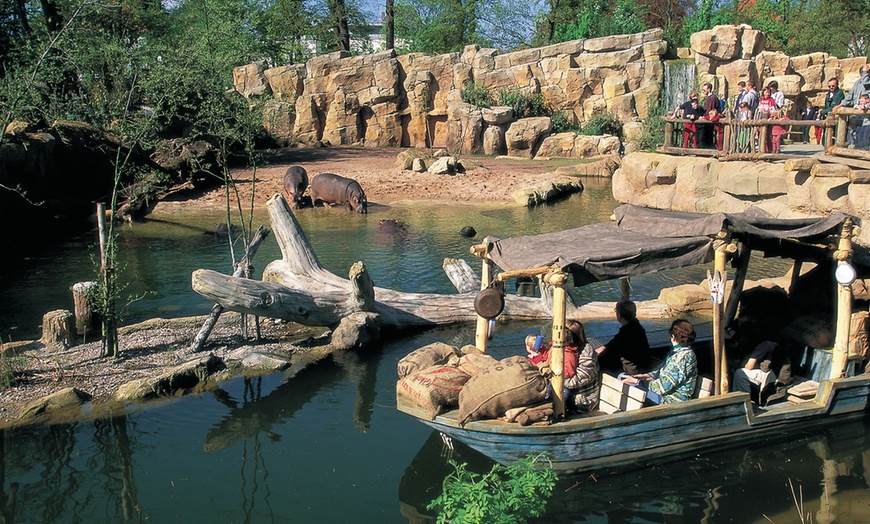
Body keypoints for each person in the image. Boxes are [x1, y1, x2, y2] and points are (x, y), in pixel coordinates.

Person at [620, 319, 698, 404]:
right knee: (622, 377)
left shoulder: (683, 358)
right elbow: (661, 371)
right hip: (664, 394)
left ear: (673, 336)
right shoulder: (678, 353)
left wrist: (638, 382)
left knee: (628, 385)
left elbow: (664, 387)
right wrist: (645, 376)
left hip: (672, 400)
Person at [594, 299, 651, 375]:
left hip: (633, 371)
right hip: (644, 366)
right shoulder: (637, 327)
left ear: (619, 315)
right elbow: (613, 344)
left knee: (600, 361)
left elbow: (611, 346)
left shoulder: (626, 333)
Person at [699, 82, 719, 148]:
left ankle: (708, 148)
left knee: (708, 135)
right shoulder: (709, 98)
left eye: (704, 90)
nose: (703, 91)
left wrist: (705, 117)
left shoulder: (713, 98)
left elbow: (711, 110)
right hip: (707, 118)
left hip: (709, 119)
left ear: (709, 89)